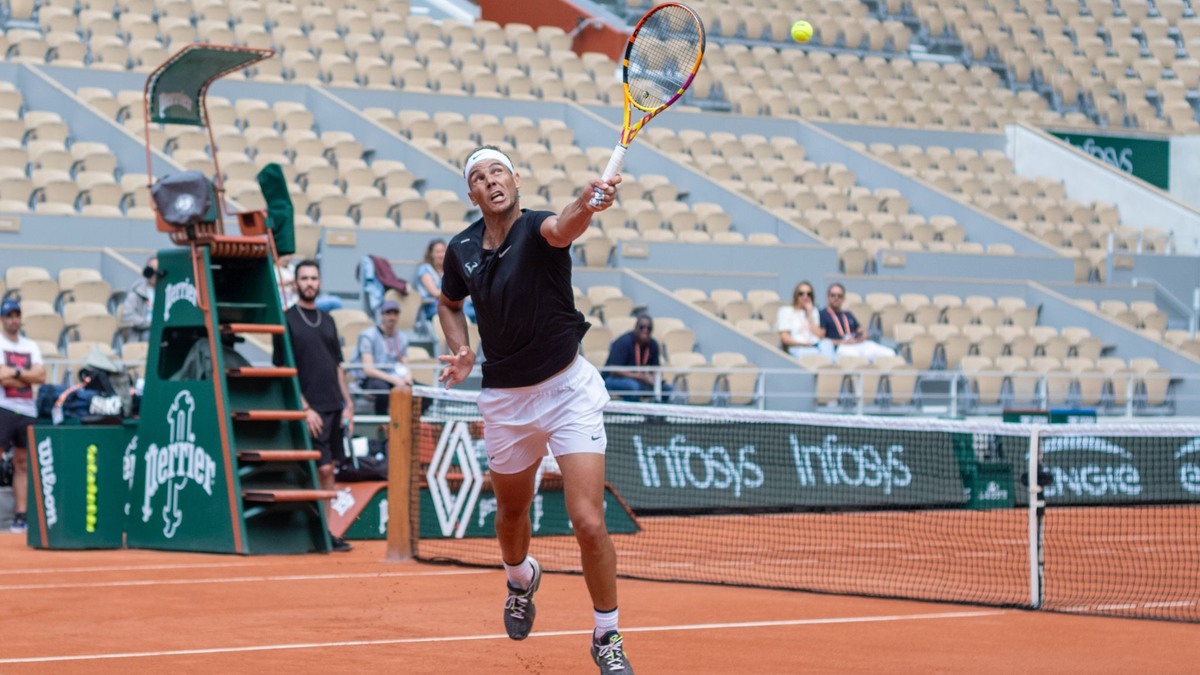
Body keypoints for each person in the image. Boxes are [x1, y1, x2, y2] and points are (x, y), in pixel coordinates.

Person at [437, 146, 633, 673]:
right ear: (472, 193)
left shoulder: (538, 228)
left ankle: (607, 636)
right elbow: (448, 304)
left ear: (515, 180)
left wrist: (589, 203)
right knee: (510, 514)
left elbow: (566, 226)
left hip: (568, 391)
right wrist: (461, 349)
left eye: (497, 170)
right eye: (478, 177)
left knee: (588, 522)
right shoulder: (460, 250)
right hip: (506, 401)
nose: (489, 180)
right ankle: (520, 578)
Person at [273, 260, 354, 552]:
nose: (309, 282)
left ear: (319, 282)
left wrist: (348, 404)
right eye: (304, 278)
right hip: (311, 410)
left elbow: (337, 366)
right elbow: (284, 369)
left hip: (334, 406)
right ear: (295, 283)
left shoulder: (328, 319)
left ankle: (327, 533)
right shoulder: (286, 319)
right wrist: (305, 408)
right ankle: (316, 532)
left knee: (330, 470)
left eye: (313, 278)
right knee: (320, 469)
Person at [0, 300, 46, 534]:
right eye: (9, 316)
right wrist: (27, 375)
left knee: (22, 464)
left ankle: (20, 517)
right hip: (3, 407)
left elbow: (41, 376)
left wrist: (15, 372)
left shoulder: (31, 345)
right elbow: (2, 378)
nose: (14, 320)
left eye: (17, 315)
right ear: (2, 319)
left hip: (28, 409)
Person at [353, 299, 412, 415]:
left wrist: (408, 378)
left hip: (395, 376)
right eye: (388, 313)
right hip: (371, 378)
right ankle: (383, 427)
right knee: (383, 390)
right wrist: (395, 380)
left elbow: (405, 362)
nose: (392, 317)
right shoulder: (368, 335)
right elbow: (368, 370)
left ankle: (409, 425)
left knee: (423, 393)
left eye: (395, 314)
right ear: (381, 315)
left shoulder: (402, 337)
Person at [603, 314, 674, 402]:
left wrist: (652, 379)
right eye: (642, 327)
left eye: (649, 328)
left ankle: (656, 414)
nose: (645, 330)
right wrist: (641, 377)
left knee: (666, 389)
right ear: (635, 328)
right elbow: (614, 371)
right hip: (612, 379)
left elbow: (656, 369)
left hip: (638, 380)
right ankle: (633, 414)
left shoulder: (653, 344)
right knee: (633, 387)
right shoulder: (624, 342)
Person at [819, 283, 896, 363]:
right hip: (842, 346)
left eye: (839, 296)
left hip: (859, 343)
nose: (836, 298)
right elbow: (822, 340)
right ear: (827, 297)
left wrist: (860, 336)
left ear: (844, 298)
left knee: (890, 353)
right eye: (833, 295)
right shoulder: (823, 314)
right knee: (858, 360)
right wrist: (842, 342)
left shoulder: (848, 314)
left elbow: (862, 331)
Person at [777, 281, 835, 360]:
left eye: (809, 294)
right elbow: (785, 338)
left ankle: (830, 369)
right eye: (801, 293)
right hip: (798, 347)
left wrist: (810, 314)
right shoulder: (786, 311)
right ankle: (828, 368)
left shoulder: (813, 311)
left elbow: (819, 335)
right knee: (821, 356)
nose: (805, 296)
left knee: (827, 343)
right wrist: (804, 344)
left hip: (815, 345)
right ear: (796, 295)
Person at [122, 256, 157, 342]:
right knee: (149, 335)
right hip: (143, 333)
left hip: (164, 330)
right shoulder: (136, 292)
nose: (154, 275)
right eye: (151, 271)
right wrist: (150, 324)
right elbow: (128, 315)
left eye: (157, 271)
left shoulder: (168, 291)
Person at [415, 239, 445, 322]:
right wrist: (455, 293)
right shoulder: (425, 269)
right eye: (438, 252)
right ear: (431, 254)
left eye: (443, 251)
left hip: (447, 304)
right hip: (431, 308)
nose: (441, 255)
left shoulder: (446, 271)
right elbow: (435, 292)